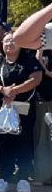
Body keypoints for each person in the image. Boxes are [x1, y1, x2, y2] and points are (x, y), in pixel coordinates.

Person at [0, 35, 41, 192]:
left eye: (13, 40)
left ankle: (23, 179)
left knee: (25, 142)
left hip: (24, 109)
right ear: (2, 44)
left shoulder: (28, 60)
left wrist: (15, 91)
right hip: (2, 110)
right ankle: (3, 179)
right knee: (3, 143)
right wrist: (3, 90)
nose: (9, 43)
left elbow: (36, 79)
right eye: (7, 41)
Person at [34, 47, 52, 184]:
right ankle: (43, 175)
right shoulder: (39, 50)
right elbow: (36, 67)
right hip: (43, 99)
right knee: (42, 139)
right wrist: (40, 51)